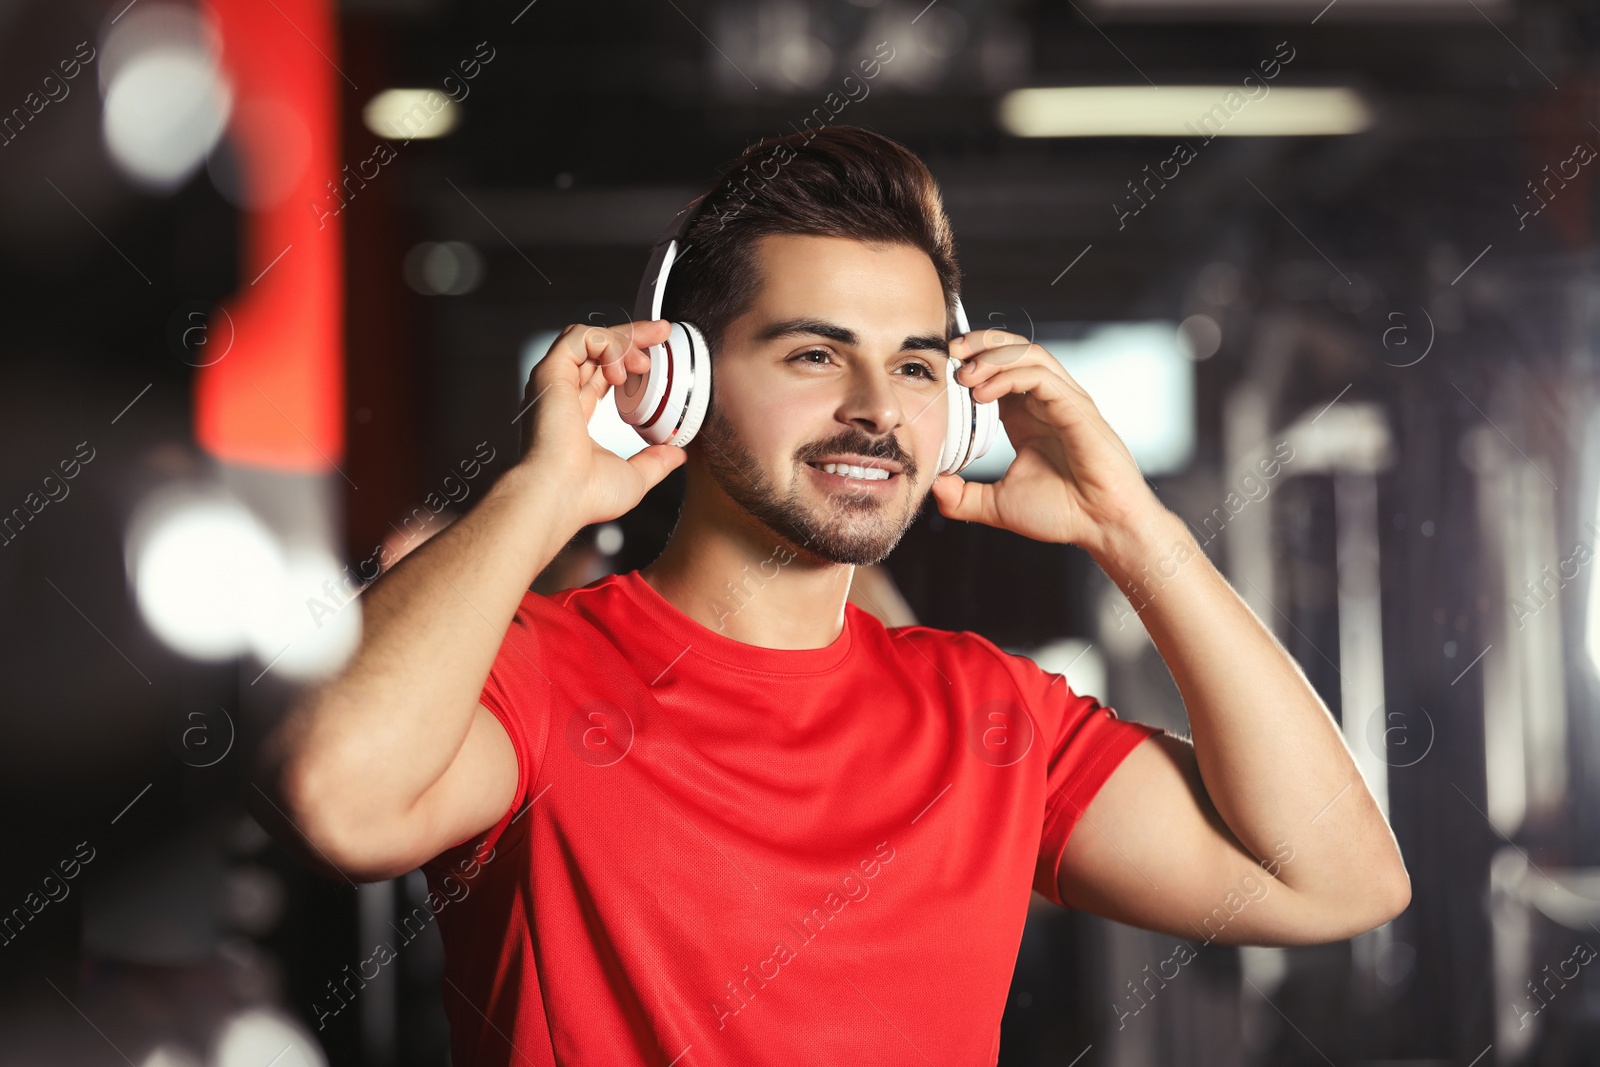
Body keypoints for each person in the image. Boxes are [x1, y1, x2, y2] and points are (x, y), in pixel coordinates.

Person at [253, 125, 1409, 1065]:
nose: (875, 405)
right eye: (813, 353)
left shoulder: (993, 713)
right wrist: (543, 491)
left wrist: (1134, 530)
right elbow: (338, 799)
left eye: (914, 363)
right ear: (683, 385)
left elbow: (1338, 878)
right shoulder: (541, 671)